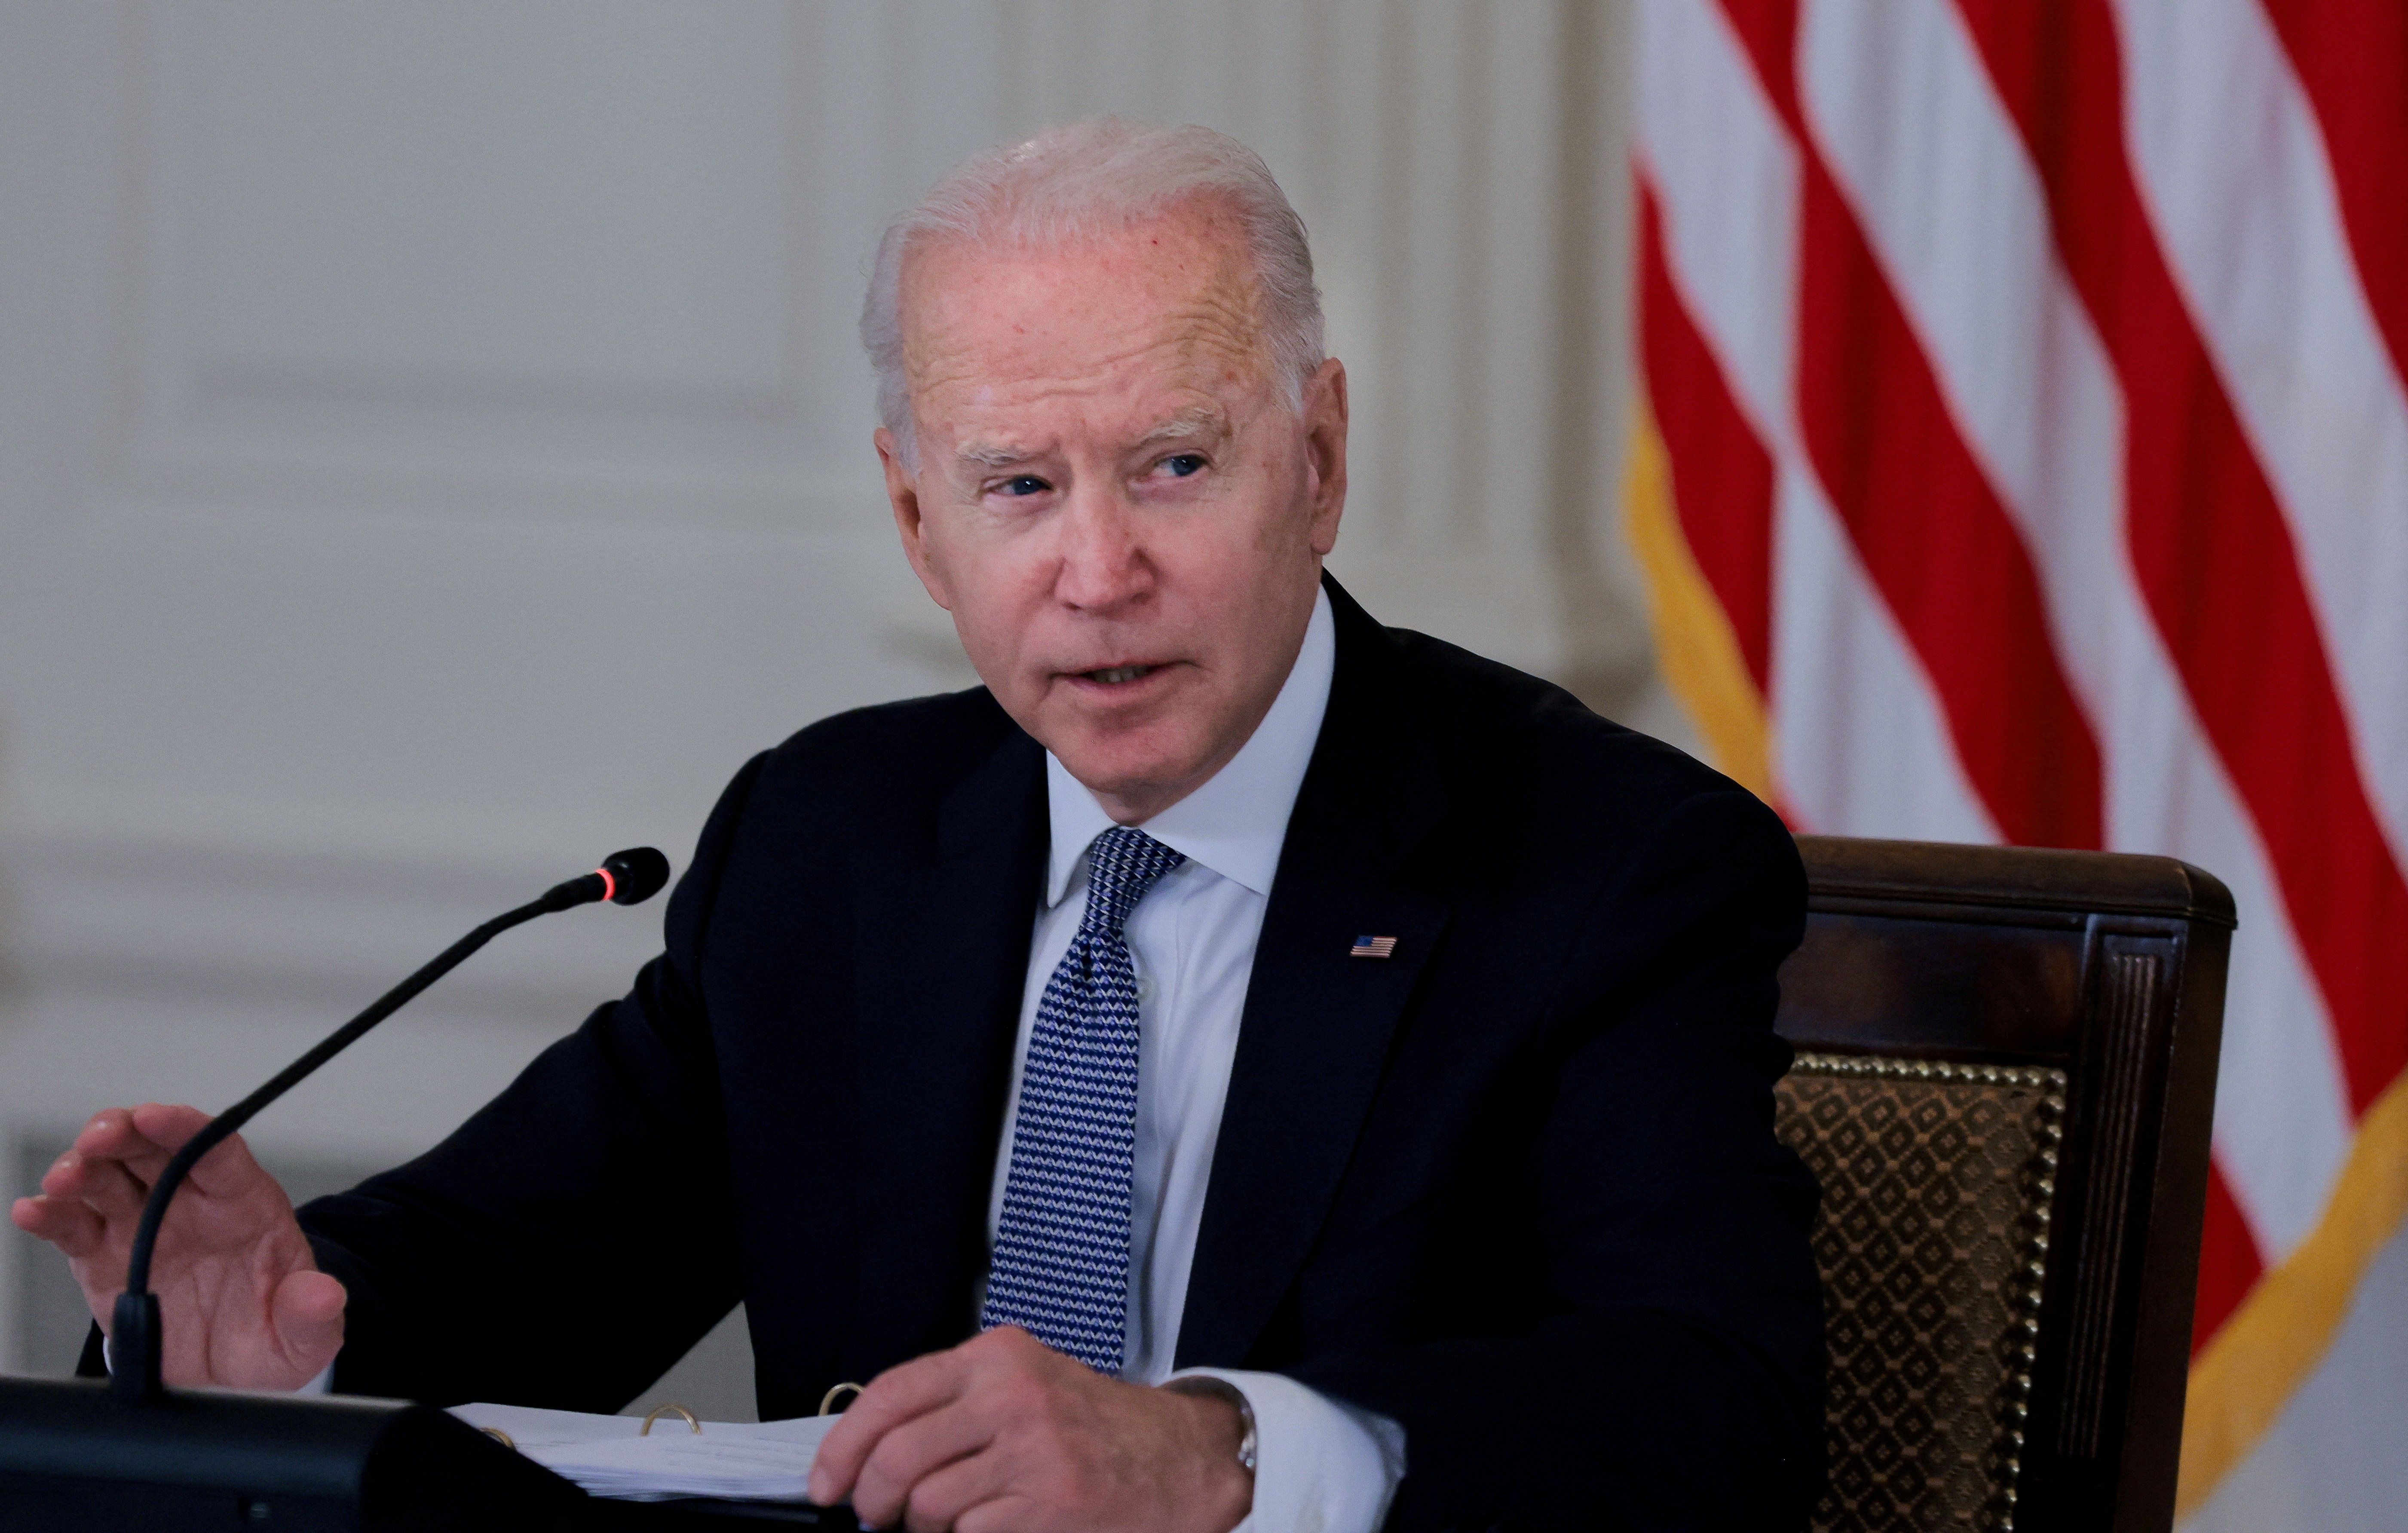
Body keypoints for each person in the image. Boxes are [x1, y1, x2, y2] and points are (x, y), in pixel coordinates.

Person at [12, 119, 1823, 1532]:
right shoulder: (835, 842)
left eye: (1176, 465)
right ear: (915, 521)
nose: (1097, 571)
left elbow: (1714, 1411)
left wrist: (1220, 1460)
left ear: (1322, 457)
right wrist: (289, 1334)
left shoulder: (1607, 863)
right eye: (1019, 486)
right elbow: (523, 1267)